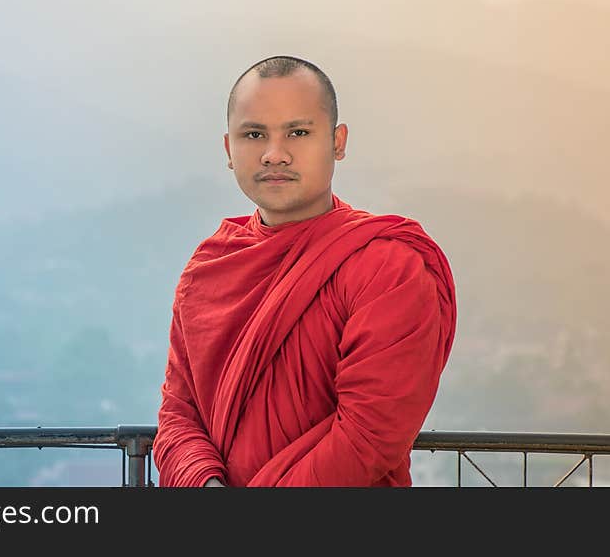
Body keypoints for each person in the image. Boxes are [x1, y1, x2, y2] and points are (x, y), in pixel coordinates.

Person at [152, 55, 457, 487]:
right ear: (228, 149)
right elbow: (179, 414)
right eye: (254, 134)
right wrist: (202, 482)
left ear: (337, 141)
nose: (275, 155)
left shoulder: (386, 266)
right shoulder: (209, 269)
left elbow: (370, 435)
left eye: (298, 132)